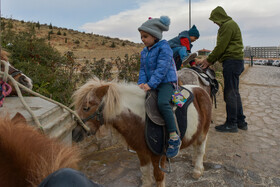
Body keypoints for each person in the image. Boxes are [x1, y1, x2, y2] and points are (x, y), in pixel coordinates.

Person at [198, 6, 248, 133]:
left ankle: (231, 123)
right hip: (236, 61)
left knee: (230, 93)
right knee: (235, 92)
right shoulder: (231, 24)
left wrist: (209, 61)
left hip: (231, 62)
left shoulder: (227, 26)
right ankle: (241, 121)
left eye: (215, 19)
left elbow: (221, 46)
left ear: (220, 17)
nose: (214, 22)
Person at [138, 16, 181, 158]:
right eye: (141, 36)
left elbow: (162, 69)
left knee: (162, 103)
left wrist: (150, 84)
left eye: (145, 36)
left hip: (166, 82)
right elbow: (143, 70)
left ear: (155, 36)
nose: (142, 39)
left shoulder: (164, 48)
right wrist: (141, 83)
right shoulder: (144, 52)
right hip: (153, 83)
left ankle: (174, 137)